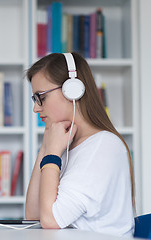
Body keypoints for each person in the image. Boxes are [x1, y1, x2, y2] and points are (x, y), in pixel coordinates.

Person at [24, 52, 135, 237]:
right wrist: (46, 146)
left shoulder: (103, 146)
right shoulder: (65, 146)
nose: (36, 108)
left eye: (40, 96)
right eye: (35, 99)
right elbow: (33, 216)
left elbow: (50, 220)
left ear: (72, 90)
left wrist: (51, 152)